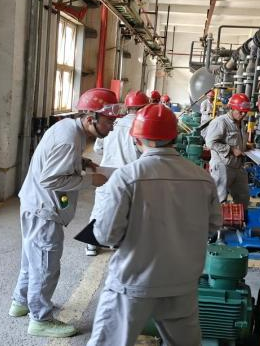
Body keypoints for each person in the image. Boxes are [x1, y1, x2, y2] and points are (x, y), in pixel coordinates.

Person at [87, 103, 222, 346]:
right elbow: (213, 227)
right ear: (174, 137)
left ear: (137, 139)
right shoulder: (203, 178)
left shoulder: (127, 176)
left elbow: (106, 235)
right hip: (181, 283)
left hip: (133, 283)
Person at [9, 87, 124, 338]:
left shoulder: (72, 130)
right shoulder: (70, 138)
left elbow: (57, 158)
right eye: (108, 121)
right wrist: (91, 180)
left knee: (32, 259)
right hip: (44, 209)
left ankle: (21, 302)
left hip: (34, 204)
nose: (112, 126)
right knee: (46, 266)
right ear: (91, 118)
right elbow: (50, 179)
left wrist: (83, 163)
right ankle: (40, 319)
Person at [87, 90, 150, 256]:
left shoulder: (111, 122)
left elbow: (98, 149)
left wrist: (112, 153)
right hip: (130, 175)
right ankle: (117, 242)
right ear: (144, 107)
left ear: (127, 107)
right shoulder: (142, 126)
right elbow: (145, 153)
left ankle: (91, 245)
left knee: (100, 207)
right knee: (126, 210)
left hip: (105, 172)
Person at [204, 92, 251, 205]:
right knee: (219, 200)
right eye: (240, 112)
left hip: (237, 165)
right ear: (231, 108)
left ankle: (241, 215)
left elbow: (236, 140)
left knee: (243, 199)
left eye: (245, 112)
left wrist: (246, 146)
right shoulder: (220, 122)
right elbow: (210, 143)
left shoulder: (241, 123)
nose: (243, 115)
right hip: (222, 166)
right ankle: (218, 216)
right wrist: (231, 149)